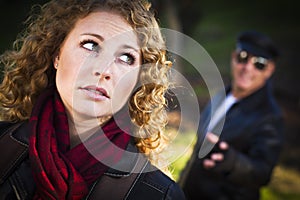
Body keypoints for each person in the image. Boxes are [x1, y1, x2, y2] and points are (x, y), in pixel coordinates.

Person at [0, 0, 186, 199]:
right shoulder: (4, 147)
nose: (103, 69)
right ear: (57, 55)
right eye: (90, 45)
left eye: (125, 58)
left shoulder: (159, 194)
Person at [179, 30, 284, 200]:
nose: (247, 67)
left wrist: (233, 163)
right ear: (234, 57)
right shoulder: (221, 96)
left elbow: (263, 173)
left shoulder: (270, 117)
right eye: (243, 57)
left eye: (259, 63)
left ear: (269, 69)